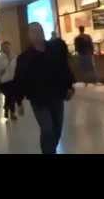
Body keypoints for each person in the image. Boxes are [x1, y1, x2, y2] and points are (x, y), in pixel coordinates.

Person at [14, 22, 75, 154]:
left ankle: (50, 150)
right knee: (47, 129)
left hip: (57, 95)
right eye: (33, 31)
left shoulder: (54, 50)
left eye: (39, 30)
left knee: (57, 129)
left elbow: (64, 69)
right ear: (29, 36)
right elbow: (19, 80)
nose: (37, 33)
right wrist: (19, 102)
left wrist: (70, 87)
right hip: (38, 99)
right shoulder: (24, 58)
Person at [0, 41, 19, 120]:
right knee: (9, 96)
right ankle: (10, 112)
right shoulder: (0, 58)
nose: (6, 48)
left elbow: (17, 68)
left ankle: (9, 111)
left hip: (13, 80)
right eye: (4, 47)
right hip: (4, 81)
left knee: (11, 97)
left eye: (7, 47)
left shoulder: (14, 57)